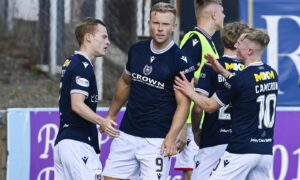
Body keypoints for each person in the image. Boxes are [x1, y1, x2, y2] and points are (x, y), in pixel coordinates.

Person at [102, 2, 195, 180]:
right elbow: (125, 82)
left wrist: (171, 136)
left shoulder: (181, 61)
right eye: (156, 23)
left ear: (173, 26)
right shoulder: (137, 50)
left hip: (156, 141)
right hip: (127, 134)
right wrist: (111, 115)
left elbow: (183, 103)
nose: (160, 29)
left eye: (165, 24)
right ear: (149, 23)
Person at [174, 29, 278, 179]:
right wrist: (223, 72)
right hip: (265, 152)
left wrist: (190, 91)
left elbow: (209, 106)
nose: (236, 45)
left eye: (240, 43)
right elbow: (247, 84)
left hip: (241, 151)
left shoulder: (240, 79)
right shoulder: (271, 73)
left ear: (249, 51)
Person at [54, 18, 120, 180]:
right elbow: (77, 104)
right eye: (104, 37)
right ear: (88, 37)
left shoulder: (72, 62)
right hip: (78, 144)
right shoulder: (82, 66)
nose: (108, 42)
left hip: (64, 143)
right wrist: (102, 121)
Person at [190, 22, 249, 180]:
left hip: (214, 138)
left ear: (223, 39)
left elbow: (198, 108)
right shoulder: (249, 70)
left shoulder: (212, 66)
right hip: (242, 143)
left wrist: (196, 130)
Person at [174, 0, 225, 179]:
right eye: (222, 11)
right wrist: (181, 126)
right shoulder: (194, 40)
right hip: (189, 123)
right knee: (191, 172)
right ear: (213, 14)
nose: (224, 15)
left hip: (201, 121)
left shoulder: (208, 42)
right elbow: (181, 80)